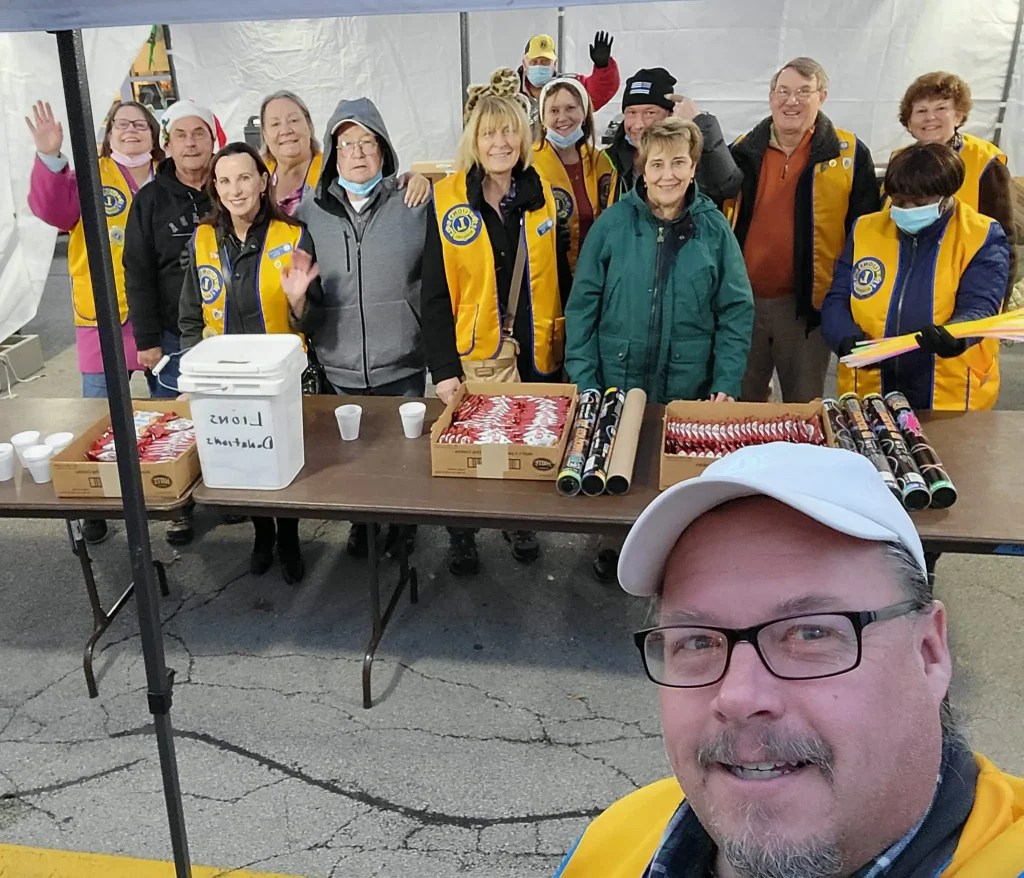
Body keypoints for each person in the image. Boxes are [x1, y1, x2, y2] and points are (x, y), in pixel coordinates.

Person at [556, 441, 1024, 877]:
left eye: (811, 633)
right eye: (696, 642)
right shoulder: (614, 845)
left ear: (929, 653)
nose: (738, 696)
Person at [565, 117, 753, 583]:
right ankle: (615, 546)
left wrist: (726, 380)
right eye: (658, 164)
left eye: (679, 163)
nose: (668, 174)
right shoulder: (612, 226)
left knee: (678, 474)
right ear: (641, 169)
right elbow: (582, 307)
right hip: (617, 375)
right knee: (618, 462)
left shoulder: (713, 229)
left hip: (689, 378)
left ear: (693, 169)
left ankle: (677, 555)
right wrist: (585, 378)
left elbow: (735, 309)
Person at [422, 93, 570, 576]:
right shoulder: (447, 199)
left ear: (523, 138)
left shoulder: (542, 193)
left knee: (526, 440)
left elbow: (558, 275)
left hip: (536, 347)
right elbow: (435, 290)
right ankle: (462, 534)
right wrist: (443, 369)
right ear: (474, 140)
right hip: (477, 350)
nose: (500, 142)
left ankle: (517, 521)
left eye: (509, 131)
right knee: (471, 445)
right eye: (489, 133)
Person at [180, 143, 324, 582]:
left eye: (244, 177)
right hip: (224, 379)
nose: (235, 188)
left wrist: (300, 301)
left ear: (263, 182)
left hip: (278, 378)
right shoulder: (203, 239)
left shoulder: (292, 235)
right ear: (216, 189)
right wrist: (192, 374)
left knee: (283, 458)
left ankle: (289, 537)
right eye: (224, 181)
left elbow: (315, 318)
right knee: (243, 457)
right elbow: (190, 314)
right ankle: (262, 534)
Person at [294, 97, 430, 559]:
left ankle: (405, 523)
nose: (357, 152)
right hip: (340, 362)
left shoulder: (414, 204)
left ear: (384, 149)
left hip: (403, 360)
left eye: (367, 142)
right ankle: (363, 522)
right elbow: (305, 294)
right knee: (354, 456)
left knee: (404, 454)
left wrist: (421, 181)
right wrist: (297, 306)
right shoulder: (312, 212)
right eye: (346, 143)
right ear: (332, 153)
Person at [26, 98, 162, 546]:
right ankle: (98, 502)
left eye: (140, 124)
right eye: (122, 125)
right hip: (103, 315)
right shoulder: (89, 173)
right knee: (100, 420)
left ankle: (171, 497)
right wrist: (50, 156)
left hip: (161, 317)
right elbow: (56, 212)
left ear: (154, 134)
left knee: (172, 414)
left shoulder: (170, 176)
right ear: (107, 134)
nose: (131, 131)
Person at [727, 57, 880, 404]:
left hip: (807, 309)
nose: (791, 101)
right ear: (770, 97)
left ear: (822, 96)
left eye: (803, 92)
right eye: (783, 91)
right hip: (742, 304)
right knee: (739, 405)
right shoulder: (741, 149)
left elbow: (867, 234)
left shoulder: (850, 154)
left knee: (803, 406)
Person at [823, 142, 1009, 411]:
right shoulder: (865, 229)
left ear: (946, 195)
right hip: (870, 388)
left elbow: (981, 307)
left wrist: (956, 336)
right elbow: (838, 297)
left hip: (946, 393)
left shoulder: (980, 235)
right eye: (898, 201)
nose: (906, 209)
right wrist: (843, 336)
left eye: (919, 202)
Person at [123, 98, 225, 545]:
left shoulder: (227, 186)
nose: (190, 143)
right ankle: (176, 506)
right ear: (167, 143)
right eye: (180, 135)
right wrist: (147, 339)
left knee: (222, 418)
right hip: (169, 334)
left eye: (198, 133)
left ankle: (226, 492)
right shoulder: (149, 199)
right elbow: (137, 272)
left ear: (212, 139)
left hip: (224, 333)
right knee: (175, 423)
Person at [896, 71, 1015, 302]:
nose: (930, 118)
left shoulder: (985, 161)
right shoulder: (899, 161)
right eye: (921, 111)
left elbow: (1005, 239)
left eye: (941, 108)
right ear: (909, 122)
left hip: (967, 286)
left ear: (959, 116)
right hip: (905, 286)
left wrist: (995, 304)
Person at [605, 67, 742, 207]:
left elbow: (727, 187)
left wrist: (700, 122)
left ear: (669, 115)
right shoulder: (609, 159)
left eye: (650, 113)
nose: (638, 124)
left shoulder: (691, 153)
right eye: (631, 113)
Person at [532, 77, 614, 270]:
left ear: (584, 114)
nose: (562, 117)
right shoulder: (529, 165)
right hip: (548, 274)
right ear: (543, 120)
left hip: (595, 272)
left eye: (570, 108)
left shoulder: (601, 162)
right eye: (554, 110)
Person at [517, 31, 620, 134]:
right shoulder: (508, 91)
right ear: (524, 64)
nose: (539, 66)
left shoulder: (569, 86)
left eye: (545, 62)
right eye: (534, 62)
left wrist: (603, 67)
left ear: (554, 64)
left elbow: (598, 92)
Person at [259, 90, 324, 216]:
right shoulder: (257, 175)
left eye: (293, 120)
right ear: (264, 134)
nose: (285, 130)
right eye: (275, 124)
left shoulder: (332, 172)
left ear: (309, 125)